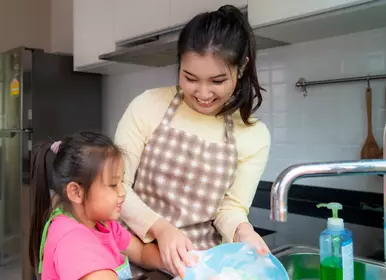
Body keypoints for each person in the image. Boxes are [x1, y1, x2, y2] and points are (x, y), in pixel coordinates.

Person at [114, 5, 271, 279]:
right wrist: (160, 229)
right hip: (134, 253)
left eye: (217, 80)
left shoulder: (254, 135)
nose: (203, 93)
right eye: (190, 78)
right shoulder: (148, 105)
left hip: (199, 267)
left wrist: (243, 231)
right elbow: (116, 186)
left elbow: (230, 209)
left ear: (242, 66)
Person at [28, 131, 194, 280]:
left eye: (122, 181)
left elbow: (142, 253)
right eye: (113, 184)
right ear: (76, 192)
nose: (123, 192)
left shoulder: (101, 223)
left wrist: (182, 263)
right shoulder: (73, 242)